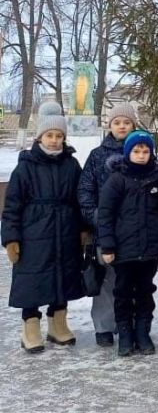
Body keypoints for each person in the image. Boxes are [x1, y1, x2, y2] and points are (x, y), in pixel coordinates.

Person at [1, 102, 86, 353]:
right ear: (39, 137)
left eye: (59, 136)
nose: (54, 140)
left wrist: (82, 229)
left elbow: (79, 200)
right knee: (33, 281)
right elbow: (12, 206)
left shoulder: (71, 165)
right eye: (49, 135)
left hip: (65, 231)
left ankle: (58, 325)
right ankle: (30, 328)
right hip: (34, 233)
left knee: (62, 277)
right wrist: (11, 238)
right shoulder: (25, 167)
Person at [97, 130, 158, 357]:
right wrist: (107, 246)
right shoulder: (117, 180)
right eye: (136, 151)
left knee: (146, 291)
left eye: (145, 151)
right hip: (123, 249)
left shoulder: (157, 178)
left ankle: (142, 332)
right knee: (123, 292)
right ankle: (125, 334)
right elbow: (106, 215)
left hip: (149, 249)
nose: (141, 155)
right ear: (128, 153)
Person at [77, 101, 138, 347]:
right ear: (109, 125)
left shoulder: (142, 151)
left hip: (135, 231)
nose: (122, 126)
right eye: (117, 122)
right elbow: (85, 190)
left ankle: (131, 324)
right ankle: (104, 326)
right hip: (105, 230)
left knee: (133, 280)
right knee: (106, 280)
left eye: (126, 122)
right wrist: (96, 217)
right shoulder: (97, 155)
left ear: (134, 124)